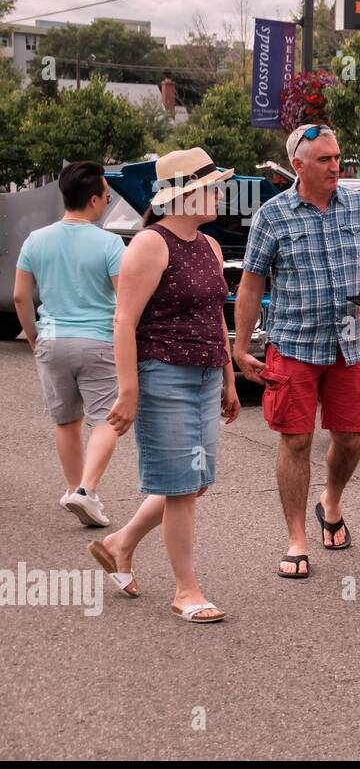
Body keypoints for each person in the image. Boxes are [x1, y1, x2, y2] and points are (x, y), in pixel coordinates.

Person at [233, 124, 360, 580]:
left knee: (351, 437)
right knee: (295, 439)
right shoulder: (272, 216)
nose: (335, 166)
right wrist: (241, 348)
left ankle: (331, 501)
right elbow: (251, 284)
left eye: (338, 157)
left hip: (348, 343)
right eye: (324, 159)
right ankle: (296, 538)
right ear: (298, 166)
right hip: (294, 344)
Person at [95, 147, 240, 623]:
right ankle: (186, 591)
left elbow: (217, 315)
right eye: (212, 186)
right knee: (180, 489)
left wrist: (229, 377)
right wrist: (129, 389)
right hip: (163, 377)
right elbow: (123, 321)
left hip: (204, 377)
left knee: (193, 484)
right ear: (185, 195)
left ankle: (120, 543)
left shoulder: (211, 245)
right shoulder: (150, 244)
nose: (220, 193)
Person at [12, 161, 125, 527]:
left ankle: (75, 488)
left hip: (53, 339)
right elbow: (125, 300)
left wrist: (33, 336)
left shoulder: (35, 240)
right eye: (107, 198)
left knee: (66, 422)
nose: (107, 203)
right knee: (107, 420)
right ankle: (86, 491)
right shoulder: (110, 243)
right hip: (99, 341)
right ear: (93, 199)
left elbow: (19, 297)